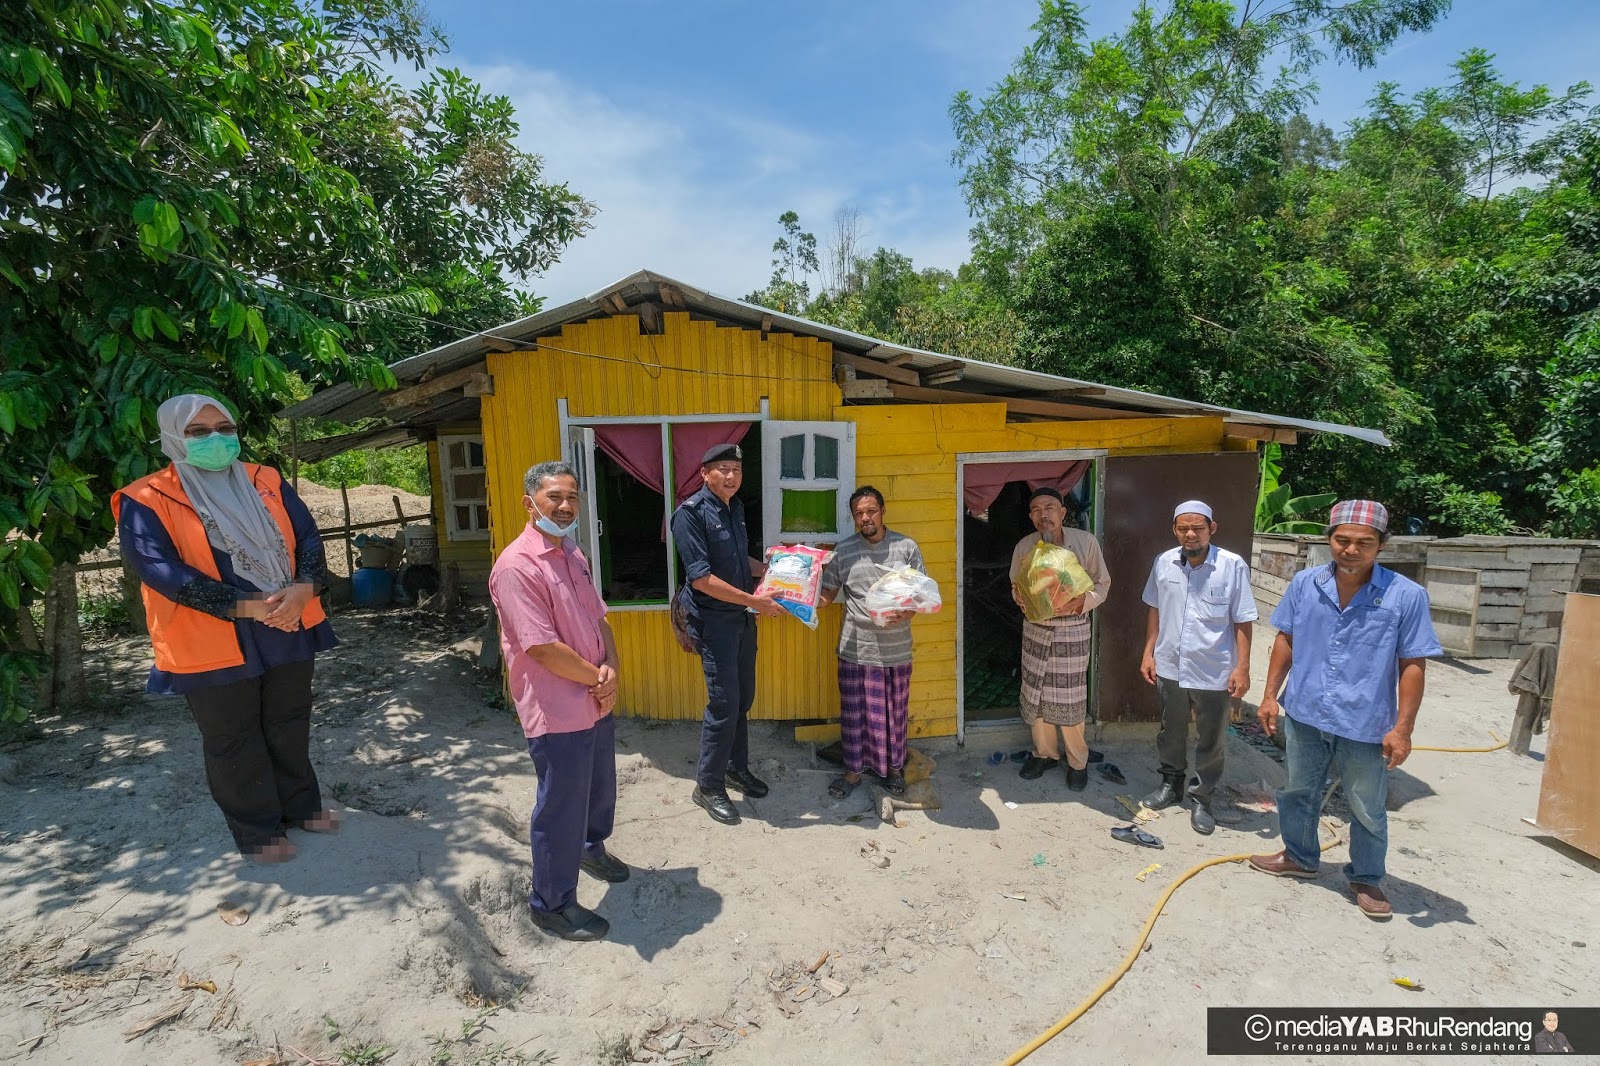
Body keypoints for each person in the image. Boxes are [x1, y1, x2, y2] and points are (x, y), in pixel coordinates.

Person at [113, 394, 338, 863]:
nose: (216, 439)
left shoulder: (266, 479)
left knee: (289, 719)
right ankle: (257, 830)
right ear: (173, 437)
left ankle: (301, 806)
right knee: (232, 735)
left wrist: (305, 589)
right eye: (198, 432)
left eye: (225, 428)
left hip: (287, 619)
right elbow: (159, 569)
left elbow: (308, 534)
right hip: (211, 633)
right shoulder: (146, 498)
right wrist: (244, 606)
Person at [1248, 500, 1444, 920]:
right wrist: (1269, 695)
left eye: (1363, 543)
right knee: (1298, 791)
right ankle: (1300, 856)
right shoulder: (1305, 584)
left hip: (1365, 722)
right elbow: (1286, 639)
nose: (1351, 550)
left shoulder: (1406, 596)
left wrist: (1403, 729)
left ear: (1381, 546)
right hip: (1305, 711)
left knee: (1366, 804)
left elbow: (1413, 664)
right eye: (1342, 540)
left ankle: (1367, 877)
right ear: (1329, 539)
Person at [489, 460, 628, 942]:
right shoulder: (516, 566)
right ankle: (551, 903)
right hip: (556, 704)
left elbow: (599, 616)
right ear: (530, 503)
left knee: (597, 787)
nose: (566, 506)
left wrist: (611, 664)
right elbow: (541, 647)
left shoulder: (572, 553)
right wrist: (598, 677)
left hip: (594, 694)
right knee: (561, 805)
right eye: (555, 497)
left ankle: (591, 848)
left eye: (572, 497)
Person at [670, 443, 785, 825]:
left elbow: (738, 561)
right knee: (723, 704)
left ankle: (736, 769)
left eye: (736, 468)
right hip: (715, 621)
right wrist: (757, 600)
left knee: (743, 700)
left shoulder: (734, 508)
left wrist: (771, 568)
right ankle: (708, 785)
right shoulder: (689, 515)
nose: (731, 475)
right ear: (704, 473)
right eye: (723, 468)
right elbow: (701, 579)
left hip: (741, 619)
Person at [1139, 500, 1257, 834]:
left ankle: (1202, 797)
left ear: (1212, 529)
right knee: (1170, 730)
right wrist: (1149, 653)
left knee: (1212, 739)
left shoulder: (1231, 566)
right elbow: (1154, 610)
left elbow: (1243, 620)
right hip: (1170, 664)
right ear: (1175, 529)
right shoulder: (1164, 563)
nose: (1190, 534)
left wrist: (1242, 667)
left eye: (1198, 528)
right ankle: (1171, 784)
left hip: (1214, 668)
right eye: (1183, 528)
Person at [818, 487, 926, 798]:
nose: (865, 518)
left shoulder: (906, 548)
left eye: (871, 511)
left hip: (896, 650)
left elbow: (922, 593)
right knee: (855, 717)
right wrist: (798, 597)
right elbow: (826, 594)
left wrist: (907, 611)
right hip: (856, 649)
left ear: (882, 510)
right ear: (853, 517)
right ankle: (852, 773)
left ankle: (893, 771)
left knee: (894, 716)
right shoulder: (845, 551)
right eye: (859, 514)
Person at [1009, 487, 1110, 790]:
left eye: (1050, 507)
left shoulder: (1085, 542)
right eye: (1037, 509)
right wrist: (1020, 597)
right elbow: (1016, 583)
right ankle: (1045, 754)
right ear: (1031, 516)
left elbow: (1102, 584)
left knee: (1070, 696)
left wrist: (1079, 603)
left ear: (1063, 512)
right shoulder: (1025, 546)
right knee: (1036, 693)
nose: (1044, 514)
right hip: (1037, 629)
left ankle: (1077, 760)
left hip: (1073, 628)